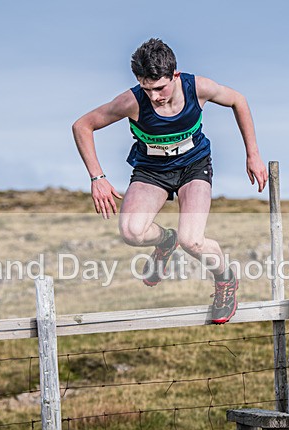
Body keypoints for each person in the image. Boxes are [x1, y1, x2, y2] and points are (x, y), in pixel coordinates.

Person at [72, 38, 268, 324]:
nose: (155, 97)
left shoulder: (197, 88)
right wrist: (97, 177)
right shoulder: (131, 101)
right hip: (151, 170)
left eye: (160, 88)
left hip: (193, 166)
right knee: (131, 232)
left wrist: (253, 154)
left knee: (193, 241)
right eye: (147, 89)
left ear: (175, 75)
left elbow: (239, 100)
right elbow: (82, 125)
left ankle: (225, 280)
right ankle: (166, 240)